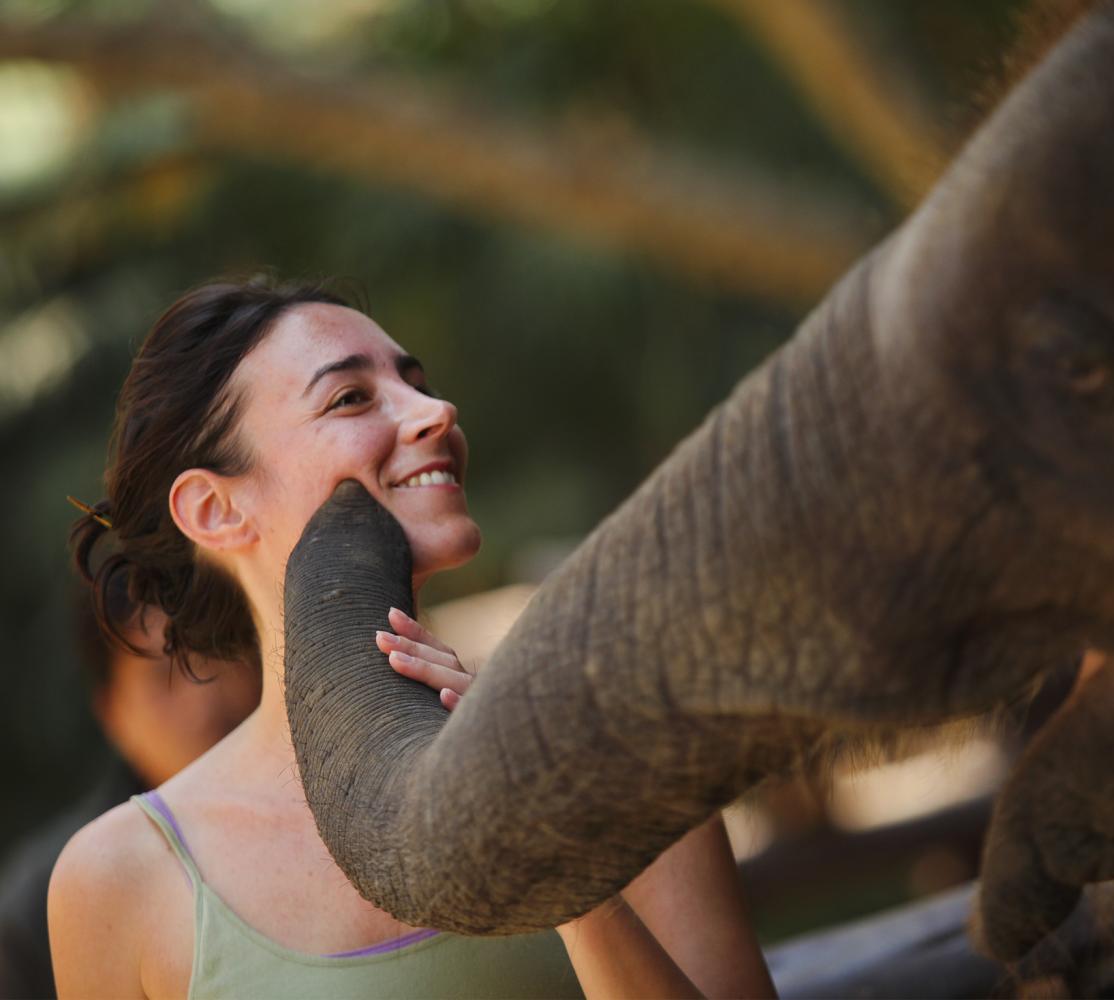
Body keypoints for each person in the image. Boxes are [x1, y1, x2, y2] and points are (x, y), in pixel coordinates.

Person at [47, 278, 775, 999]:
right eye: (350, 398)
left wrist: (555, 850)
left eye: (415, 382)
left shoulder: (616, 749)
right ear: (214, 509)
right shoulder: (121, 876)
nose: (437, 411)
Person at [0, 585, 258, 999]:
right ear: (111, 713)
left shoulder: (328, 839)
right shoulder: (42, 905)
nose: (204, 703)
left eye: (215, 655)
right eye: (164, 678)